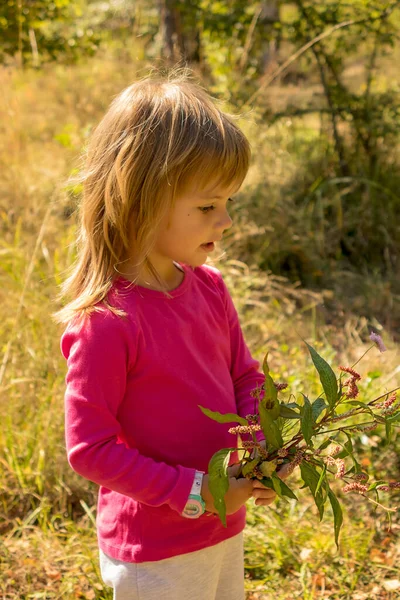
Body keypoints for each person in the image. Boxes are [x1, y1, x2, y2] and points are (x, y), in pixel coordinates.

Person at [55, 69, 281, 600]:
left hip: (223, 524)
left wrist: (262, 436)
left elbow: (243, 375)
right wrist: (199, 492)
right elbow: (91, 449)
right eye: (207, 207)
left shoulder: (211, 289)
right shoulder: (107, 320)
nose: (225, 221)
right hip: (155, 546)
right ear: (142, 198)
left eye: (229, 203)